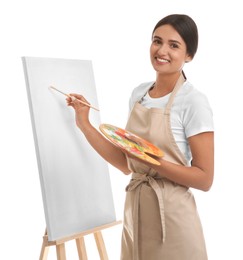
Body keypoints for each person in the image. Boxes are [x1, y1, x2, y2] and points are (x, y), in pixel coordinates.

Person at [67, 14, 214, 260]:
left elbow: (205, 178)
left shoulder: (194, 102)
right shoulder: (139, 95)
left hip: (174, 222)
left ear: (189, 55)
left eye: (174, 45)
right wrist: (84, 123)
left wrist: (152, 161)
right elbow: (126, 164)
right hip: (135, 216)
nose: (162, 50)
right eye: (157, 41)